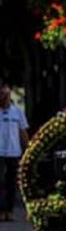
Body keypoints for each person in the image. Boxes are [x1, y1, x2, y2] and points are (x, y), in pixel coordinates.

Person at [0, 82, 29, 222]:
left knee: (11, 183)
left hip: (13, 151)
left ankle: (9, 210)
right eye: (1, 95)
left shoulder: (17, 112)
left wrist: (27, 148)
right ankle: (1, 211)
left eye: (6, 94)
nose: (3, 97)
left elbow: (23, 131)